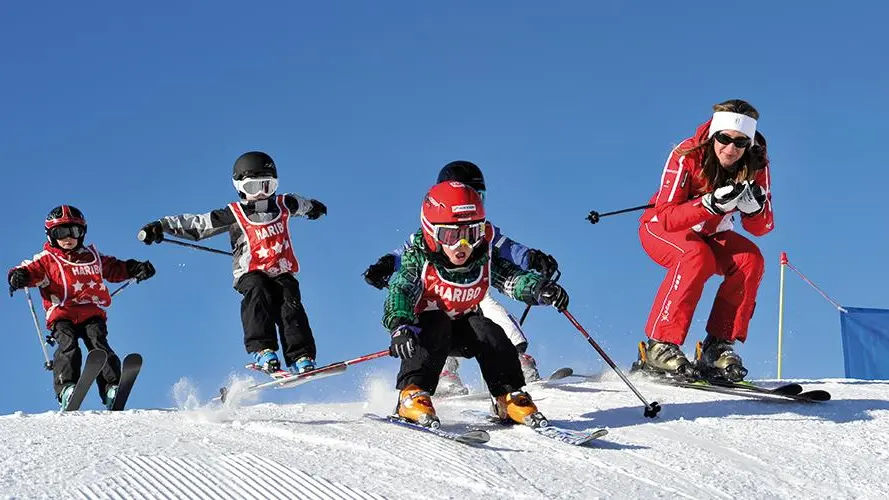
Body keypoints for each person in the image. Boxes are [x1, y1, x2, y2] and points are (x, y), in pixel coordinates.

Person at [383, 180, 569, 428]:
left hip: (462, 329)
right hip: (424, 332)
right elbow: (402, 289)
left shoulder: (483, 257)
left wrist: (539, 289)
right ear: (431, 232)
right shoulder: (420, 258)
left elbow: (512, 278)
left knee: (490, 331)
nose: (463, 246)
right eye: (451, 236)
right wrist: (400, 324)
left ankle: (507, 395)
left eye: (471, 234)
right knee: (436, 322)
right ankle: (412, 393)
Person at [363, 160, 559, 394]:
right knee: (434, 323)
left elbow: (506, 252)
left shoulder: (483, 230)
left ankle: (515, 364)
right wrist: (385, 265)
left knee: (489, 320)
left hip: (472, 286)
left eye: (477, 195)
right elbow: (406, 258)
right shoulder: (430, 233)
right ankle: (442, 372)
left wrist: (532, 261)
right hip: (435, 296)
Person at [137, 151, 327, 375]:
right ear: (239, 187)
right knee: (258, 292)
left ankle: (300, 356)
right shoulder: (234, 214)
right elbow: (198, 224)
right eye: (253, 188)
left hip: (281, 270)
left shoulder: (285, 204)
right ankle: (263, 349)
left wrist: (314, 208)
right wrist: (162, 226)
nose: (260, 194)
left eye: (267, 185)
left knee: (290, 304)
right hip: (251, 272)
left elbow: (302, 204)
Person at [637, 99, 773, 381]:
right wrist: (708, 204)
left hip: (711, 232)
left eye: (740, 142)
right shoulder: (687, 153)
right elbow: (665, 217)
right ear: (714, 134)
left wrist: (755, 209)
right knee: (695, 257)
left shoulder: (756, 161)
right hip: (662, 229)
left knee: (751, 260)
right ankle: (660, 345)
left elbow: (761, 228)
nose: (731, 149)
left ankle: (718, 347)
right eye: (724, 139)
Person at [7, 205, 156, 409]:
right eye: (61, 232)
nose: (68, 237)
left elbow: (114, 268)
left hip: (91, 313)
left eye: (74, 232)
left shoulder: (92, 257)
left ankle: (112, 388)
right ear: (51, 235)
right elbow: (27, 269)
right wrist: (18, 276)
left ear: (82, 233)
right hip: (62, 314)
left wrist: (134, 268)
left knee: (99, 345)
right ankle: (67, 388)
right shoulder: (47, 259)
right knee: (68, 346)